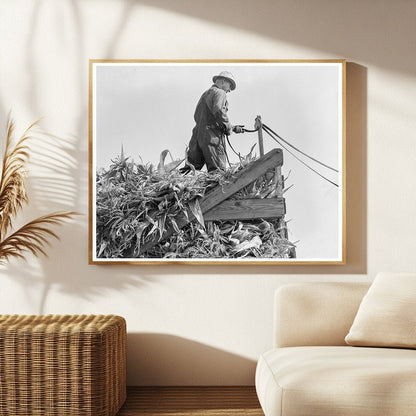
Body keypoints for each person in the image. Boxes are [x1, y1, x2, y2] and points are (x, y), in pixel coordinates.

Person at [182, 71, 244, 173]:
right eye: (230, 86)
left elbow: (206, 117)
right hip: (212, 138)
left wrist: (232, 127)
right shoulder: (220, 92)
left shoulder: (206, 94)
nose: (229, 90)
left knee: (188, 171)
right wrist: (228, 128)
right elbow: (219, 111)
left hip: (197, 138)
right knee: (217, 172)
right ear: (223, 81)